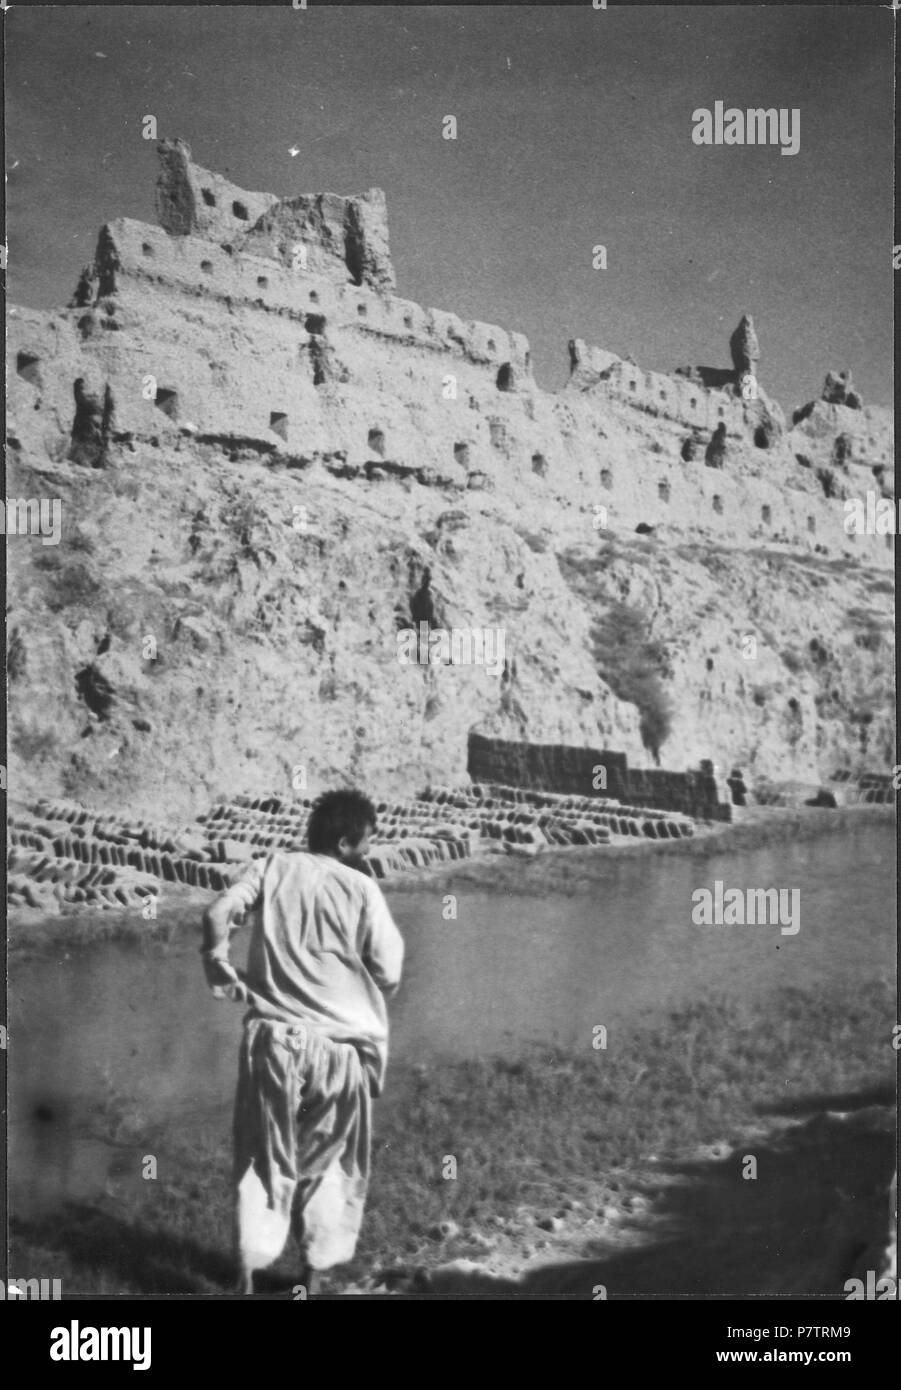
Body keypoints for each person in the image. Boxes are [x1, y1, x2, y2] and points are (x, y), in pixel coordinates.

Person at [200, 788, 404, 1295]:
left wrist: (221, 967)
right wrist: (352, 991)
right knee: (332, 1160)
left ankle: (246, 1278)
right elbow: (389, 969)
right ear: (344, 841)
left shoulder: (273, 866)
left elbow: (217, 913)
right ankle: (310, 1280)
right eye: (366, 842)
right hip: (341, 1049)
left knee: (261, 1155)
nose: (368, 852)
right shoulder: (363, 889)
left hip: (273, 1039)